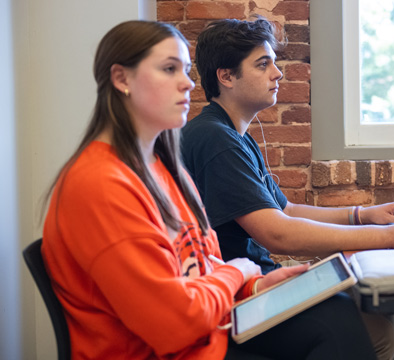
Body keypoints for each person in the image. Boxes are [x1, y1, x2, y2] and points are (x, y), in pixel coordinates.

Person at [41, 20, 377, 360]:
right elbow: (174, 323)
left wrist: (256, 286)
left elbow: (202, 264)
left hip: (210, 328)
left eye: (186, 70)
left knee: (335, 312)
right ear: (121, 79)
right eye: (169, 69)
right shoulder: (99, 186)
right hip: (173, 346)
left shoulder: (165, 170)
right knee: (336, 325)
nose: (187, 83)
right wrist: (242, 271)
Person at [181, 16, 394, 360]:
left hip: (252, 282)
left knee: (373, 316)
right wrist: (391, 236)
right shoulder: (215, 139)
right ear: (226, 77)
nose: (277, 73)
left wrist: (363, 215)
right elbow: (278, 234)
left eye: (274, 63)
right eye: (263, 64)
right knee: (370, 323)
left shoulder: (234, 135)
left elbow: (285, 210)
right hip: (240, 293)